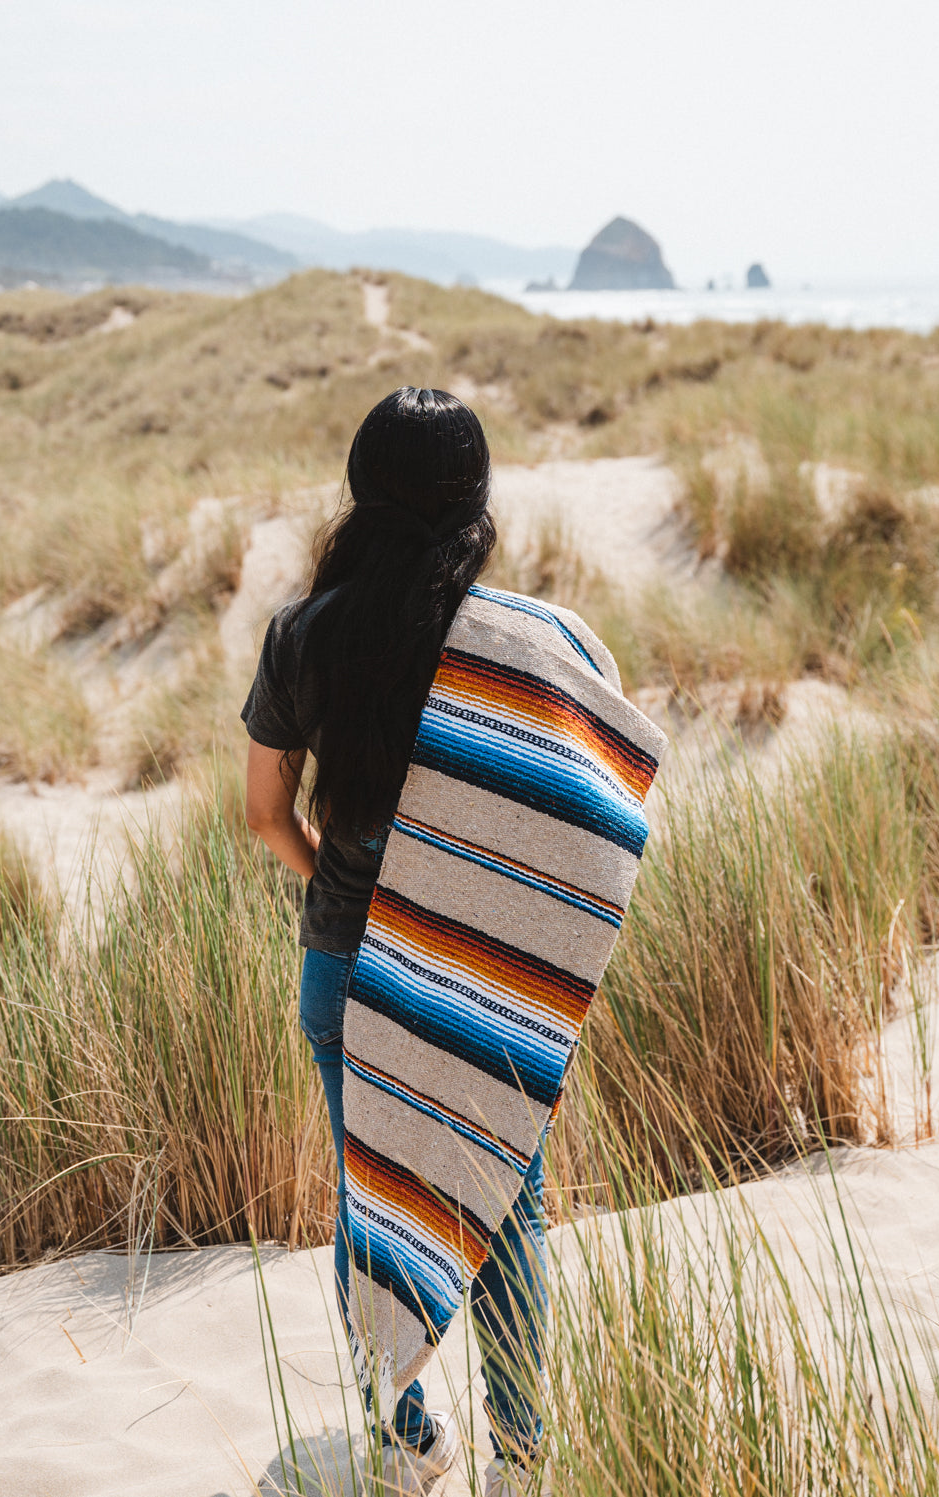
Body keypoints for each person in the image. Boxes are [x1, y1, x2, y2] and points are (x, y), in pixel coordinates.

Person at [241, 388, 548, 1497]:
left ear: (361, 493)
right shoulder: (512, 642)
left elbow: (264, 815)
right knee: (510, 1206)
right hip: (482, 974)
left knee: (370, 1197)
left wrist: (337, 872)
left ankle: (405, 1435)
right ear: (474, 499)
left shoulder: (303, 633)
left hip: (348, 966)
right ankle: (521, 1458)